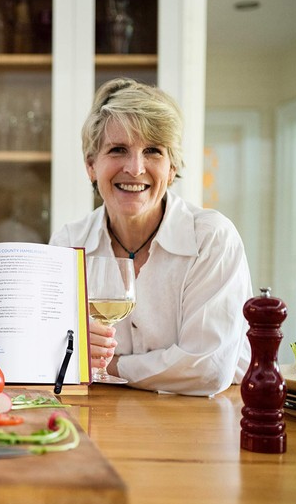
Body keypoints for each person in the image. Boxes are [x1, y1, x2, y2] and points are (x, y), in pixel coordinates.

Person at [50, 78, 252, 396]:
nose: (135, 168)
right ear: (91, 165)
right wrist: (64, 348)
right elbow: (44, 354)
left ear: (171, 168)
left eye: (153, 151)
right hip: (98, 417)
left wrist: (107, 366)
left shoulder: (211, 239)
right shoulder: (66, 245)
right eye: (118, 150)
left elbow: (207, 368)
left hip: (203, 423)